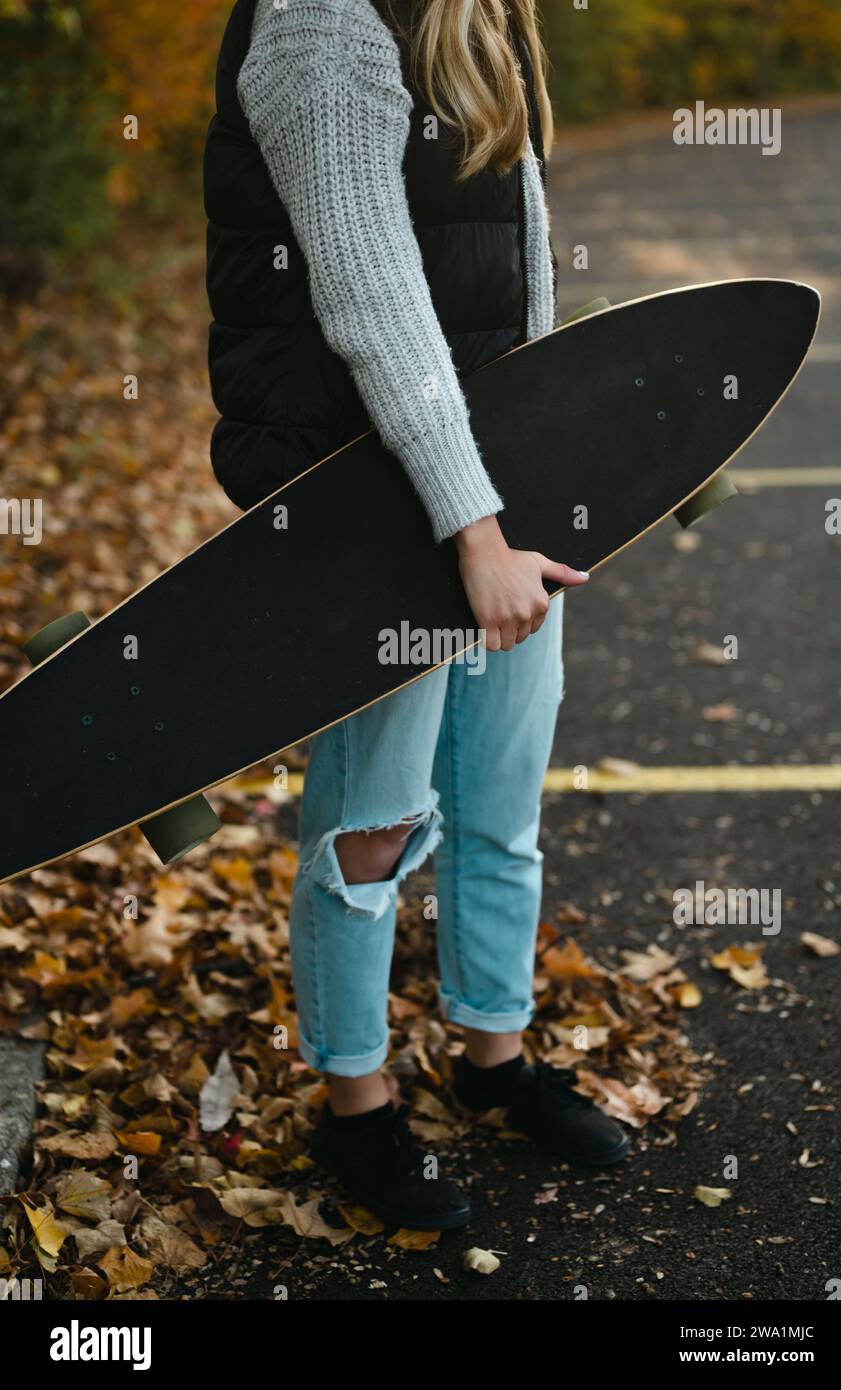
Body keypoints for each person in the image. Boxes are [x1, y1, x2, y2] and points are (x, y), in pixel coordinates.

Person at [204, 0, 629, 1230]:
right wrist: (473, 533)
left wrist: (542, 482)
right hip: (381, 507)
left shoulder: (473, 13)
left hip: (497, 498)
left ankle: (493, 1057)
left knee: (502, 803)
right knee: (371, 831)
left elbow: (522, 262)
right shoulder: (323, 23)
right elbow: (371, 297)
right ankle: (356, 1105)